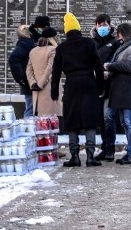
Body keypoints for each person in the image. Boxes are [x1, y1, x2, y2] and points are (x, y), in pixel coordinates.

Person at [51, 12, 104, 167]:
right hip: (88, 82)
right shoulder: (89, 43)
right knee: (90, 120)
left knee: (72, 120)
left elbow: (56, 72)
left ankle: (74, 156)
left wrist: (54, 91)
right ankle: (90, 156)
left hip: (72, 84)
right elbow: (98, 67)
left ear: (66, 31)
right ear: (79, 29)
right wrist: (100, 87)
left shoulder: (61, 48)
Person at [104, 23, 131, 165]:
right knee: (125, 122)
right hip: (121, 91)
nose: (118, 37)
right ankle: (130, 153)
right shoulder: (126, 46)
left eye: (120, 33)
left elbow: (130, 65)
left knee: (130, 122)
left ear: (126, 33)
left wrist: (109, 66)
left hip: (129, 91)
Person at [92, 14, 121, 162]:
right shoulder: (92, 43)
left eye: (105, 25)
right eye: (100, 25)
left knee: (108, 117)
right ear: (96, 26)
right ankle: (104, 148)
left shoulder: (115, 42)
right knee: (101, 120)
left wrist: (109, 72)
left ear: (110, 26)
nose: (102, 27)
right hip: (96, 86)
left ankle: (110, 149)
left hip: (111, 85)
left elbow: (118, 60)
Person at [9, 15, 49, 118]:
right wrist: (22, 79)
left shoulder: (38, 40)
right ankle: (29, 132)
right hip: (30, 83)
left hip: (39, 82)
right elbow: (14, 59)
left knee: (40, 113)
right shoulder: (27, 41)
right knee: (31, 111)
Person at [25, 24, 61, 116]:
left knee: (40, 125)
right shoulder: (54, 50)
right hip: (49, 91)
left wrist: (33, 84)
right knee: (52, 123)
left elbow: (28, 70)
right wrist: (40, 85)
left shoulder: (33, 51)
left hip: (36, 92)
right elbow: (50, 69)